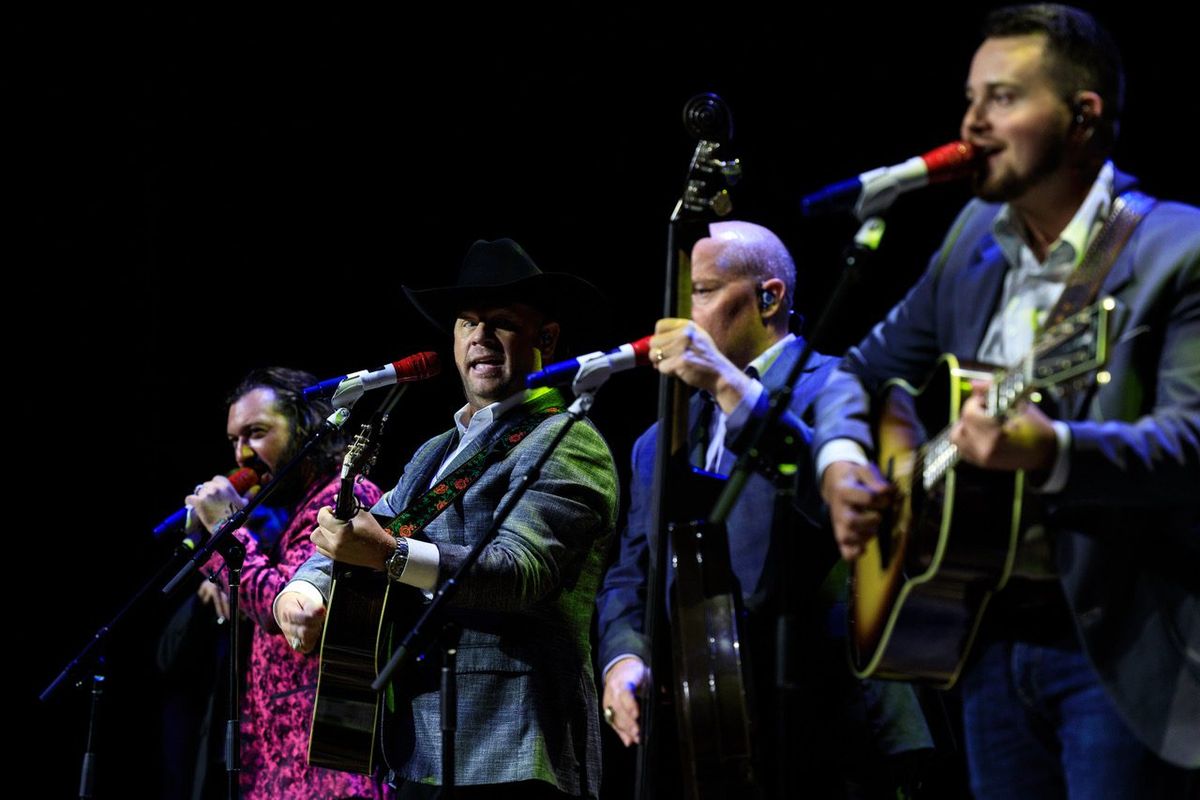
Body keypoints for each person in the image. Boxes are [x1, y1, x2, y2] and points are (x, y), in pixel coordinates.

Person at [815, 5, 1199, 797]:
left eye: (1002, 98)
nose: (972, 123)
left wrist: (1051, 451)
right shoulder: (971, 240)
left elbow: (1191, 445)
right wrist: (844, 460)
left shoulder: (1179, 250)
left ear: (1082, 116)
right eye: (969, 99)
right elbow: (855, 370)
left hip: (1125, 646)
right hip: (981, 639)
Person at [596, 220, 933, 797]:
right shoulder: (657, 441)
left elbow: (847, 508)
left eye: (699, 292)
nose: (679, 319)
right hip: (717, 725)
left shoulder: (845, 384)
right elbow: (634, 570)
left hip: (842, 720)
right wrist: (623, 659)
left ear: (768, 297)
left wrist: (731, 386)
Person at [274, 239, 619, 799]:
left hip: (515, 745)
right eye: (466, 324)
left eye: (501, 322)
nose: (480, 338)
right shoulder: (436, 450)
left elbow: (521, 572)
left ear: (546, 339)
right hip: (419, 743)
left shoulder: (566, 440)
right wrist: (300, 592)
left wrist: (391, 556)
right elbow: (354, 529)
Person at [187, 367, 384, 799]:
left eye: (255, 433)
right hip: (277, 769)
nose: (242, 454)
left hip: (330, 771)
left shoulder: (347, 500)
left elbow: (286, 610)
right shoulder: (296, 514)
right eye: (234, 441)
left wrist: (225, 527)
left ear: (305, 428)